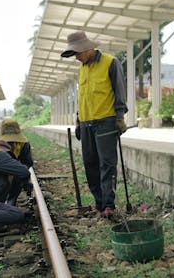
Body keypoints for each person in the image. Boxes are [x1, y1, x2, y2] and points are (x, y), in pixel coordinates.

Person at [61, 31, 128, 218]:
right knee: (90, 164)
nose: (76, 57)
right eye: (74, 54)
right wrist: (78, 121)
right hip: (86, 123)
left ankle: (108, 205)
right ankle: (98, 203)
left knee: (107, 164)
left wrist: (120, 117)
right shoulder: (82, 68)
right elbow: (82, 98)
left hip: (105, 121)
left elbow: (119, 91)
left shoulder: (110, 63)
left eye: (78, 53)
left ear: (89, 48)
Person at [0, 119, 33, 205]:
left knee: (18, 175)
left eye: (14, 141)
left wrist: (23, 179)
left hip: (14, 171)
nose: (11, 145)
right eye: (8, 142)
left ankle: (11, 200)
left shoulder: (23, 144)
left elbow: (26, 162)